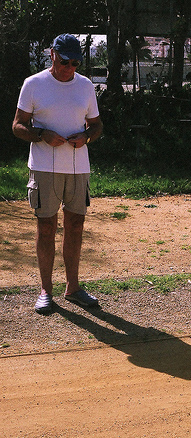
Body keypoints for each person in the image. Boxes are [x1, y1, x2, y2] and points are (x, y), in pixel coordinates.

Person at [12, 34, 103, 314]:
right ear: (52, 55)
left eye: (76, 62)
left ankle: (73, 288)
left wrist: (86, 138)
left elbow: (97, 126)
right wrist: (41, 135)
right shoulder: (34, 84)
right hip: (44, 168)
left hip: (78, 168)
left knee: (75, 226)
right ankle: (45, 291)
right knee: (46, 227)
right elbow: (17, 126)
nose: (70, 68)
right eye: (65, 61)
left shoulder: (85, 86)